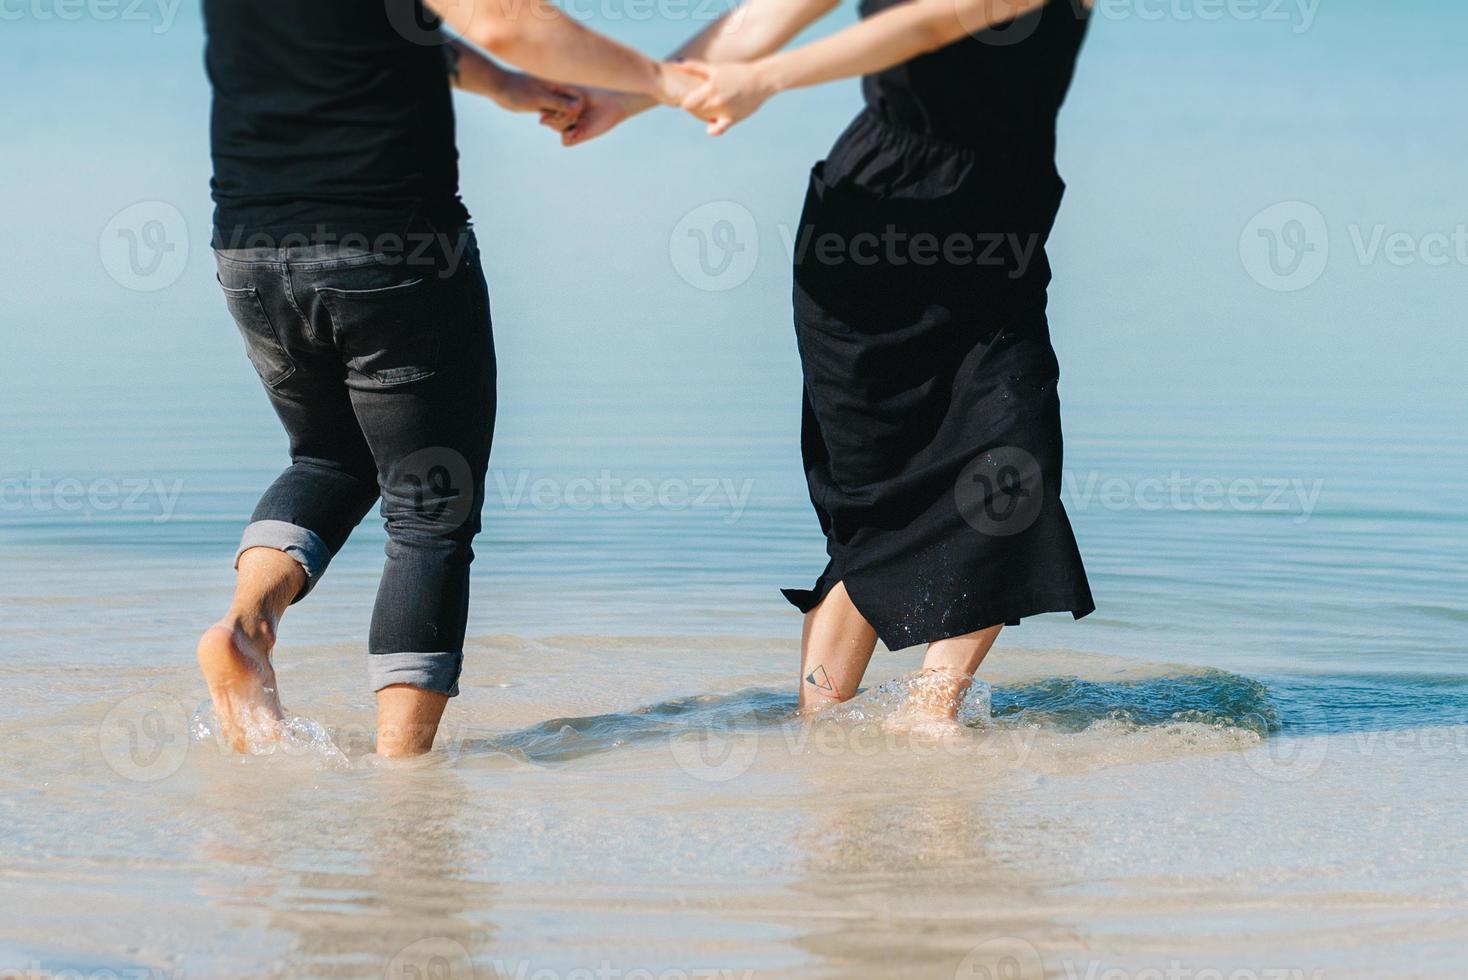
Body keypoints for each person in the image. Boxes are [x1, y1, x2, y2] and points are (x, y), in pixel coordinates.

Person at [197, 0, 701, 757]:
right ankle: (404, 781)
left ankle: (245, 629)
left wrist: (502, 84)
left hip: (250, 247)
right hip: (389, 248)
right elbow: (501, 16)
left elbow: (368, 31)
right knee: (430, 508)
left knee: (329, 458)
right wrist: (661, 78)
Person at [570, 0, 1096, 723]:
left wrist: (768, 80)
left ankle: (931, 715)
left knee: (1016, 457)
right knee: (876, 499)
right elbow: (755, 23)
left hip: (998, 231)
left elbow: (940, 19)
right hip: (868, 230)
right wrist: (628, 97)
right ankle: (819, 731)